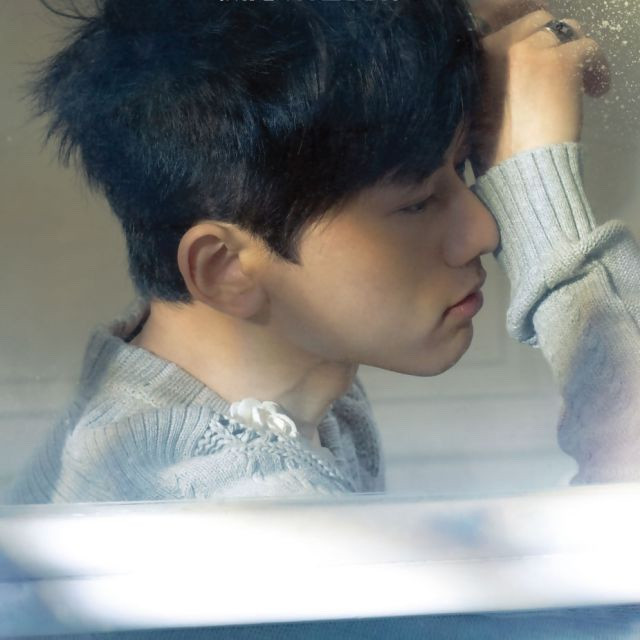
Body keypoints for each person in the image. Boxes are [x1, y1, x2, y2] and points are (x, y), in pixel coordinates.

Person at [3, 0, 636, 504]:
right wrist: (545, 210)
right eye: (417, 203)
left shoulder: (247, 395)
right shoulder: (234, 511)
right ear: (225, 269)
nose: (485, 230)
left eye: (465, 167)